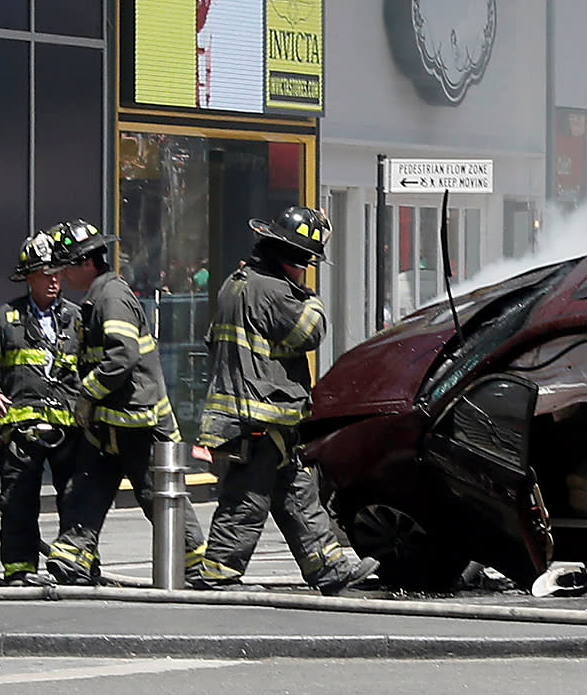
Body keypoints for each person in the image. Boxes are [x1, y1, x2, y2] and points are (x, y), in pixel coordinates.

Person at [192, 206, 375, 594]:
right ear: (290, 258)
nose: (306, 271)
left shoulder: (236, 282)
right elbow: (311, 332)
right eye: (305, 262)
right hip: (259, 414)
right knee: (247, 498)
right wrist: (311, 299)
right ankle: (219, 575)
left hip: (252, 413)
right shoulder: (275, 291)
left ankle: (328, 568)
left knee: (296, 493)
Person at [41, 219, 207, 585]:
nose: (62, 275)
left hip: (139, 424)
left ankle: (193, 566)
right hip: (110, 425)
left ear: (86, 263)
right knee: (84, 489)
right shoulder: (96, 297)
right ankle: (73, 560)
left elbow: (122, 356)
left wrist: (87, 393)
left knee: (156, 496)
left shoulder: (111, 298)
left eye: (66, 266)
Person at [0, 231, 83, 584]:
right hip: (20, 430)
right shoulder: (6, 318)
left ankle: (73, 566)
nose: (53, 281)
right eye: (45, 275)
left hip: (69, 429)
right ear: (29, 278)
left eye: (57, 274)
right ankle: (19, 570)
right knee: (19, 501)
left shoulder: (77, 318)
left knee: (76, 500)